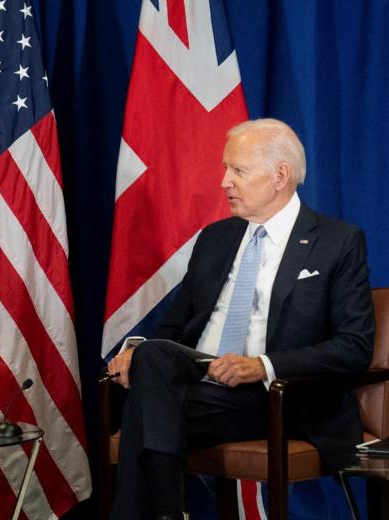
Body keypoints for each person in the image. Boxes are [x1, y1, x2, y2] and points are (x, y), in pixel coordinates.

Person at [107, 118, 374, 519]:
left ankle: (163, 514)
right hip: (199, 384)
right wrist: (137, 352)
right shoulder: (216, 238)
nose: (224, 182)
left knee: (144, 408)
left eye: (238, 170)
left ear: (279, 175)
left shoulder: (337, 241)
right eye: (225, 169)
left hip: (277, 396)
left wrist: (260, 366)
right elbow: (173, 329)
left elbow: (353, 346)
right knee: (151, 360)